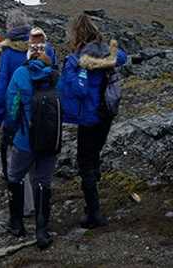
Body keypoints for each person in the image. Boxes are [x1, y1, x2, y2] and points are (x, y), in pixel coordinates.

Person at [60, 13, 128, 229]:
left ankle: (94, 214)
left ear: (77, 34)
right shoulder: (108, 53)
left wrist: (71, 69)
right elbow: (123, 57)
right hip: (107, 113)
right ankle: (93, 204)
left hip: (89, 118)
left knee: (85, 162)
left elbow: (74, 89)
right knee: (94, 154)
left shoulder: (77, 60)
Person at [0, 13, 53, 215]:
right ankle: (40, 203)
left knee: (18, 157)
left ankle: (27, 207)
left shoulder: (8, 52)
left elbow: (1, 86)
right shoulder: (46, 47)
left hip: (19, 112)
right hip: (46, 112)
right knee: (41, 157)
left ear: (9, 27)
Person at [6, 43, 63, 249]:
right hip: (49, 140)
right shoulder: (56, 76)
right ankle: (42, 230)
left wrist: (10, 130)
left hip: (25, 139)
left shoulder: (21, 73)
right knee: (43, 182)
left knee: (15, 176)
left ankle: (17, 223)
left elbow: (12, 106)